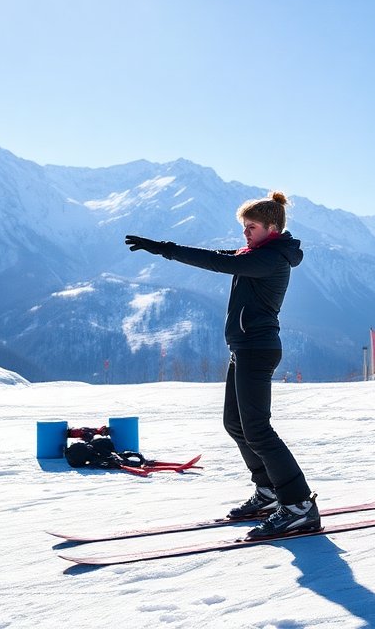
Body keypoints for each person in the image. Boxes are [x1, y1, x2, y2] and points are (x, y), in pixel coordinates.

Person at [125, 191, 317, 539]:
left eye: (251, 227)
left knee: (258, 429)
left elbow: (216, 262)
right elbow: (223, 256)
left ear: (271, 228)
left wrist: (164, 248)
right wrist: (164, 248)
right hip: (244, 348)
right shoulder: (256, 254)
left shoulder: (270, 259)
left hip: (257, 350)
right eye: (244, 227)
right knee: (236, 424)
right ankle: (269, 491)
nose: (245, 233)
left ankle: (299, 504)